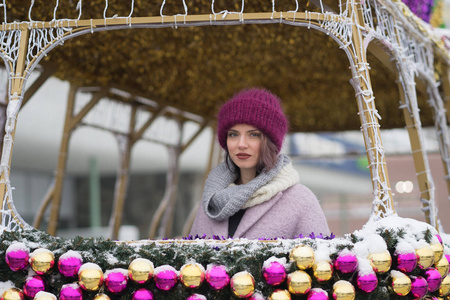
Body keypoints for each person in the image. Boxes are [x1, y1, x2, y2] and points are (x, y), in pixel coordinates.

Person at [190, 88, 330, 239]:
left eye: (254, 135)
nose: (241, 144)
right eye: (233, 134)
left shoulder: (300, 200)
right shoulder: (211, 198)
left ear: (270, 142)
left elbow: (322, 260)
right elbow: (189, 261)